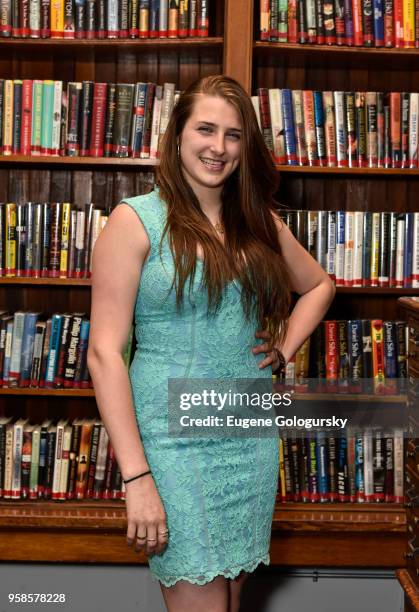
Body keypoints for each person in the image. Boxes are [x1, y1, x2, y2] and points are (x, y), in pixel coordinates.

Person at [87, 75, 335, 612]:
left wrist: (285, 346)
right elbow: (104, 354)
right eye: (205, 129)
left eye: (233, 134)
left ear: (246, 147)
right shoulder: (135, 222)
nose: (217, 147)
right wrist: (137, 477)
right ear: (177, 135)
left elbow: (319, 286)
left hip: (247, 439)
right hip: (170, 444)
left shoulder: (259, 223)